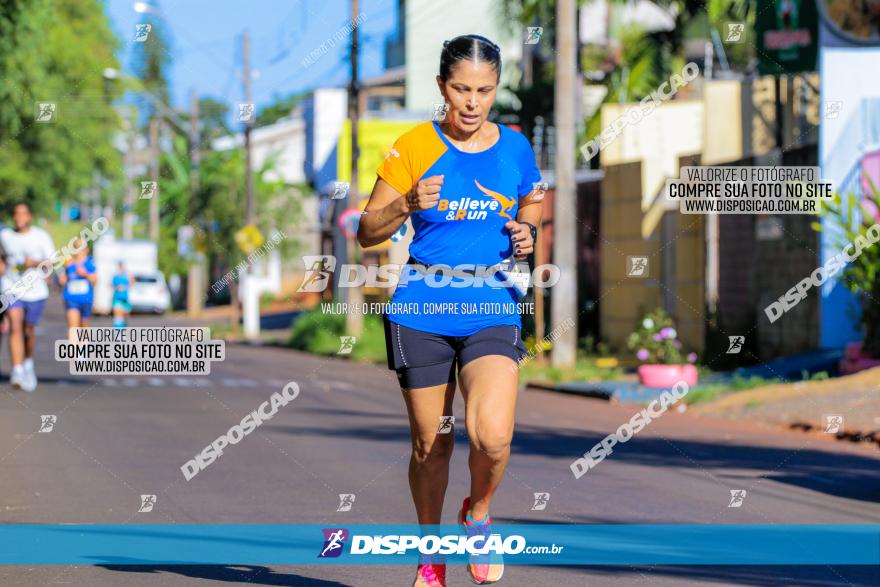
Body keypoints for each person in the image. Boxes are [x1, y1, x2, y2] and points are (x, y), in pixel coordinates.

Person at [357, 34, 544, 587]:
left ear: (495, 90)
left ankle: (478, 514)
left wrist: (527, 229)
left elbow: (532, 194)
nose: (471, 103)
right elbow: (369, 231)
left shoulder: (515, 146)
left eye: (483, 91)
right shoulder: (413, 145)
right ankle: (431, 553)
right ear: (442, 86)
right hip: (422, 309)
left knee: (492, 436)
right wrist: (407, 202)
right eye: (461, 89)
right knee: (431, 444)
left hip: (492, 303)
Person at [0, 202, 57, 392]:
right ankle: (16, 370)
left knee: (28, 330)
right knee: (15, 325)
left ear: (30, 216)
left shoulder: (40, 237)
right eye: (16, 214)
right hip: (11, 288)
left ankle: (27, 364)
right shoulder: (5, 236)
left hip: (36, 290)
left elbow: (52, 263)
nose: (19, 217)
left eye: (23, 214)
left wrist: (34, 262)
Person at [58, 238, 97, 336]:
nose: (79, 250)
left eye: (81, 247)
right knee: (73, 328)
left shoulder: (89, 262)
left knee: (84, 327)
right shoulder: (68, 263)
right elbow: (64, 278)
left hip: (86, 299)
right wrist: (62, 280)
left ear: (86, 249)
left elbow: (95, 280)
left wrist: (85, 274)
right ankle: (74, 350)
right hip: (71, 299)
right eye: (76, 247)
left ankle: (83, 349)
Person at [111, 262, 133, 328]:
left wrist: (126, 286)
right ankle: (118, 333)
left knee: (125, 315)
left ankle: (122, 329)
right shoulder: (115, 276)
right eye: (120, 267)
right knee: (118, 316)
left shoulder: (127, 276)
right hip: (117, 298)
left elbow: (132, 283)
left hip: (125, 298)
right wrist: (117, 287)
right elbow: (111, 285)